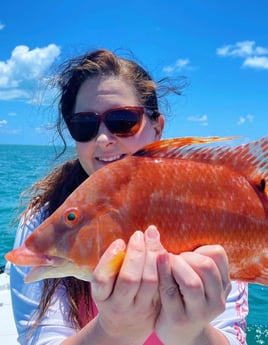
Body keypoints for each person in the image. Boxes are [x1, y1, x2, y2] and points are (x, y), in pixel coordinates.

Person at [9, 49, 249, 345]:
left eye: (123, 121)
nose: (103, 139)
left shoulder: (214, 209)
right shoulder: (44, 222)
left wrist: (194, 334)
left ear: (157, 127)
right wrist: (111, 332)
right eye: (84, 125)